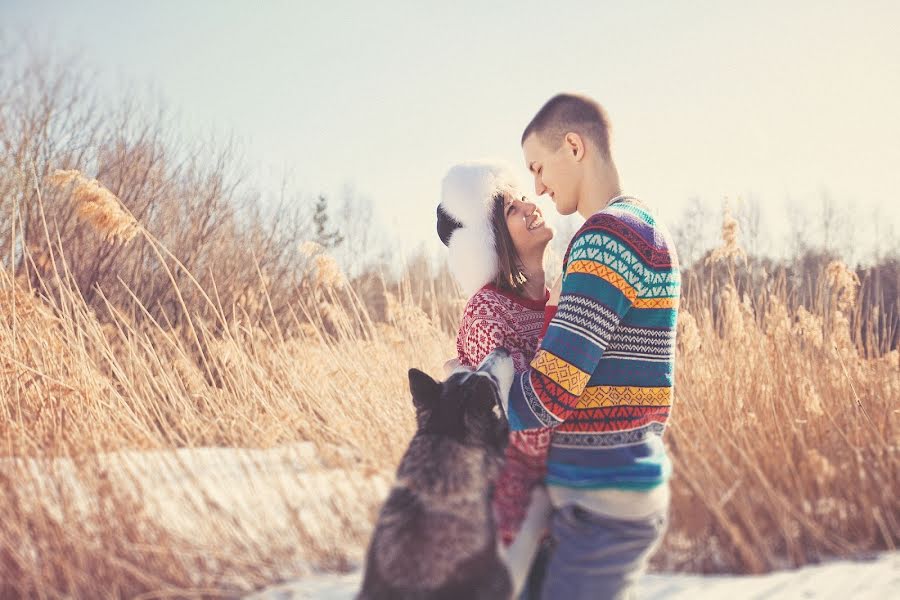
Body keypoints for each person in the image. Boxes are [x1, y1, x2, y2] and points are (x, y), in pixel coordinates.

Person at [496, 93, 681, 600]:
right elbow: (651, 388)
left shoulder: (607, 237)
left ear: (573, 146)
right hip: (608, 494)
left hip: (604, 504)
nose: (536, 186)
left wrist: (474, 402)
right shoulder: (644, 226)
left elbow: (551, 392)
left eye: (538, 167)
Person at [436, 161, 557, 598]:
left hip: (558, 521)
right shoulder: (485, 312)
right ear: (493, 238)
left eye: (524, 197)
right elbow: (526, 423)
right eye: (511, 209)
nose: (530, 206)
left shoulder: (554, 301)